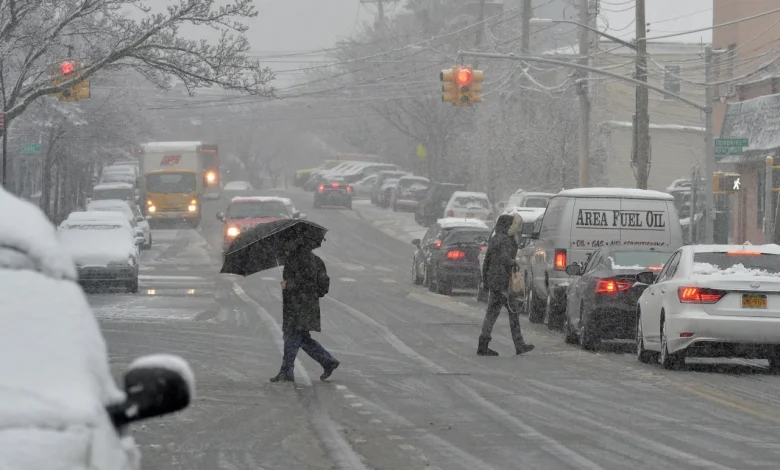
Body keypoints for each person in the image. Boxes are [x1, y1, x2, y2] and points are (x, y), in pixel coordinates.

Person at [270, 236, 340, 383]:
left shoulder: (299, 260)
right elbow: (323, 287)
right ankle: (327, 361)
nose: (285, 243)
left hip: (298, 307)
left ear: (297, 242)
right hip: (305, 306)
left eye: (288, 240)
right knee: (300, 338)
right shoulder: (314, 259)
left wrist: (288, 285)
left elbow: (306, 282)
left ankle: (286, 372)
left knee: (291, 337)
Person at [477, 213, 535, 357]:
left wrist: (486, 281)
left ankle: (483, 344)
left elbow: (487, 262)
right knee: (513, 312)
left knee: (492, 314)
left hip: (495, 281)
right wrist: (513, 262)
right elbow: (504, 258)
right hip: (504, 282)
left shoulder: (495, 238)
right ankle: (519, 344)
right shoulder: (506, 240)